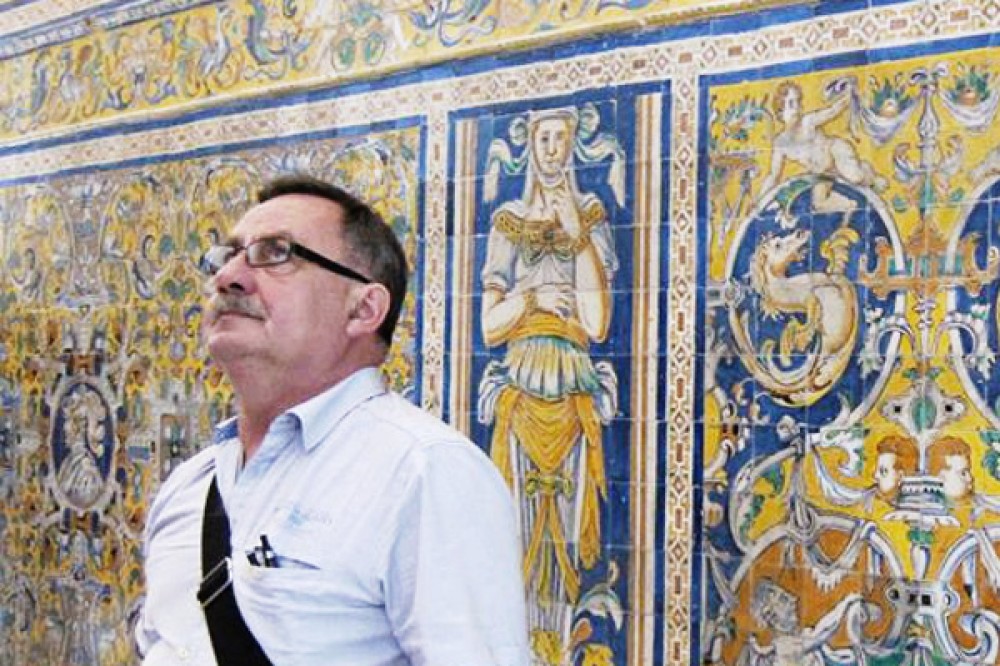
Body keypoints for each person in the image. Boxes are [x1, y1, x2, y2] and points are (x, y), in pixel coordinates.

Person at [136, 174, 529, 665]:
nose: (229, 277)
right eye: (228, 255)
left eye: (276, 254)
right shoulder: (189, 486)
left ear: (363, 309)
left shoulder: (423, 473)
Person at [478, 106, 619, 654]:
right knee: (514, 530)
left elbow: (598, 323)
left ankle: (557, 648)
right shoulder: (507, 222)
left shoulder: (591, 217)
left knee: (566, 527)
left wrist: (577, 236)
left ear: (575, 146)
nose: (553, 149)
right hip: (521, 388)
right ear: (530, 147)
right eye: (544, 139)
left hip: (572, 391)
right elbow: (490, 326)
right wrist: (532, 298)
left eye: (562, 138)